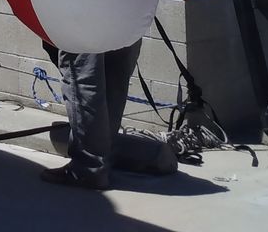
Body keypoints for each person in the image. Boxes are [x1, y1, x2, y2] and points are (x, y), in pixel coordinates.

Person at [39, 40, 173, 190]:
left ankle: (89, 167)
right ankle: (103, 154)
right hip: (129, 19)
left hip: (86, 21)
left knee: (83, 74)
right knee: (115, 72)